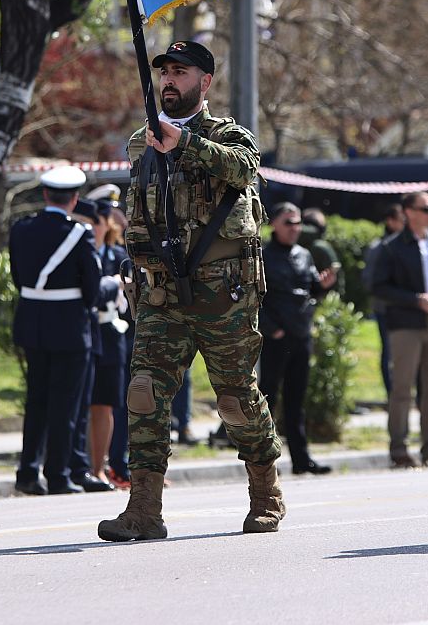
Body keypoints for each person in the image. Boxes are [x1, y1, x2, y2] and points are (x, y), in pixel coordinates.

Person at [99, 40, 284, 541]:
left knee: (236, 398)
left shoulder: (227, 135)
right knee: (144, 393)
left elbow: (244, 169)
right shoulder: (140, 143)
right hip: (162, 294)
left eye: (180, 72)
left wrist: (183, 143)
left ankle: (265, 492)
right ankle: (144, 508)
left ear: (204, 82)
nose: (168, 81)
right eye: (164, 72)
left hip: (223, 295)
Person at [8, 165, 102, 496]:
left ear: (46, 194)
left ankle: (28, 472)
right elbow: (92, 287)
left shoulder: (22, 229)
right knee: (65, 404)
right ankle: (59, 474)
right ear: (74, 199)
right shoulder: (80, 233)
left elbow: (17, 277)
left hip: (32, 321)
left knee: (36, 400)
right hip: (69, 325)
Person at [371, 192, 428, 468]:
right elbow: (378, 287)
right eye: (426, 208)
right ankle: (399, 449)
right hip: (406, 326)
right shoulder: (391, 247)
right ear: (408, 212)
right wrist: (415, 299)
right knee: (402, 389)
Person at [259, 202, 335, 475]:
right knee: (267, 398)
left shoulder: (304, 254)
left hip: (300, 335)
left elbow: (311, 288)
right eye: (289, 222)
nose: (295, 228)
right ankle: (264, 461)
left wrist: (323, 286)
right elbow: (255, 298)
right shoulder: (263, 255)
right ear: (274, 224)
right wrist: (271, 329)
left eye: (298, 222)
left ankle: (301, 460)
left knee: (296, 400)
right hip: (276, 338)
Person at [64, 198, 117, 493]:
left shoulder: (116, 254)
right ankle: (76, 466)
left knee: (104, 403)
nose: (94, 228)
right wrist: (112, 285)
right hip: (80, 332)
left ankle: (99, 467)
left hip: (108, 336)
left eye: (98, 222)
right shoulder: (74, 248)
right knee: (77, 403)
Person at [86, 190, 132, 488]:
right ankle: (87, 465)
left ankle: (112, 465)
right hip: (87, 333)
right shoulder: (80, 251)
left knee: (113, 403)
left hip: (113, 335)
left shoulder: (118, 257)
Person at [362, 203, 405, 396]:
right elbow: (369, 281)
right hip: (385, 309)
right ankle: (392, 394)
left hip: (406, 309)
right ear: (390, 221)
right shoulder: (379, 247)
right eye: (401, 219)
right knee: (389, 351)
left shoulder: (408, 245)